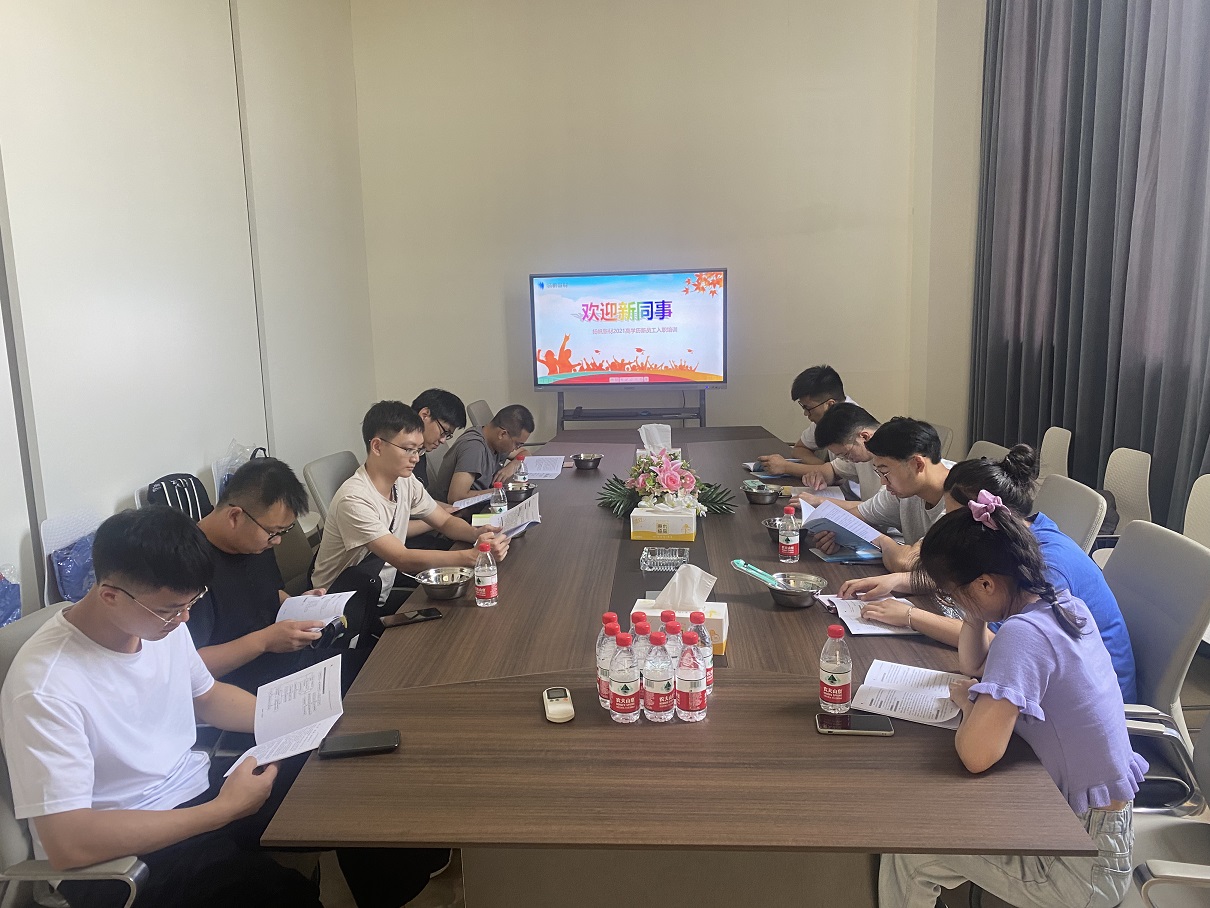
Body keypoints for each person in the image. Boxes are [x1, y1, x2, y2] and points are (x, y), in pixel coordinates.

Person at [0, 508, 319, 908]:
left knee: (328, 787)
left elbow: (207, 697)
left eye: (191, 603)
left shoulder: (158, 623)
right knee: (279, 895)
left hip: (194, 790)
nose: (184, 619)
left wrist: (299, 722)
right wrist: (223, 810)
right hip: (120, 852)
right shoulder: (45, 687)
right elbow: (69, 843)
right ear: (110, 595)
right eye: (171, 609)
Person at [879, 494, 1144, 908]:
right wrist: (975, 610)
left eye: (953, 595)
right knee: (940, 818)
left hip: (1081, 865)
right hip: (1090, 824)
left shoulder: (1024, 636)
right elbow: (974, 664)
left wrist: (969, 706)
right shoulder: (1061, 604)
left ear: (986, 583)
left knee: (912, 848)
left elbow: (976, 756)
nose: (954, 604)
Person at [838, 446, 1138, 701]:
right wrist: (902, 580)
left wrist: (909, 616)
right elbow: (978, 658)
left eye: (956, 518)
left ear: (987, 517)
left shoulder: (1046, 568)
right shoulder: (1021, 535)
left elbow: (999, 644)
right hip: (1047, 685)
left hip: (1088, 703)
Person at [311, 400, 508, 600]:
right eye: (408, 449)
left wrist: (476, 534)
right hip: (340, 603)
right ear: (377, 446)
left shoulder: (404, 481)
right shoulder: (354, 499)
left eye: (418, 450)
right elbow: (401, 558)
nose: (415, 458)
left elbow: (444, 521)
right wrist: (471, 556)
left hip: (376, 589)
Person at [190, 457, 326, 693]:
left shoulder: (255, 543)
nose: (277, 541)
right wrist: (265, 641)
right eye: (273, 532)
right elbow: (192, 667)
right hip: (247, 689)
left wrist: (298, 605)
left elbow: (267, 592)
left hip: (291, 664)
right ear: (235, 516)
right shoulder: (190, 567)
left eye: (283, 531)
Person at [800, 417, 953, 571]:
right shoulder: (904, 490)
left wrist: (881, 540)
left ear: (917, 464)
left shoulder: (960, 497)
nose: (883, 482)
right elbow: (854, 517)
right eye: (878, 473)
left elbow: (906, 562)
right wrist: (836, 536)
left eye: (885, 472)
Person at [756, 365, 859, 478]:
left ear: (830, 405)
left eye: (808, 408)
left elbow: (834, 474)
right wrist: (823, 467)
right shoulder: (827, 418)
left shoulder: (855, 427)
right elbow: (800, 449)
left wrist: (785, 467)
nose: (806, 413)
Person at [431, 404, 535, 505]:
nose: (516, 448)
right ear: (502, 434)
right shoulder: (473, 448)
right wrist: (502, 491)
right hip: (454, 512)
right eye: (517, 444)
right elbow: (456, 498)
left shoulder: (494, 441)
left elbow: (524, 453)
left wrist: (513, 465)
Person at [806, 402, 883, 500]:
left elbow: (876, 507)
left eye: (846, 454)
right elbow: (833, 470)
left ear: (864, 437)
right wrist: (818, 477)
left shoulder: (895, 455)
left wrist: (821, 501)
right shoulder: (861, 452)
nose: (847, 459)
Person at [410, 387, 466, 489]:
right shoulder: (396, 454)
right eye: (444, 432)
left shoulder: (421, 453)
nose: (443, 440)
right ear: (424, 415)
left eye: (447, 435)